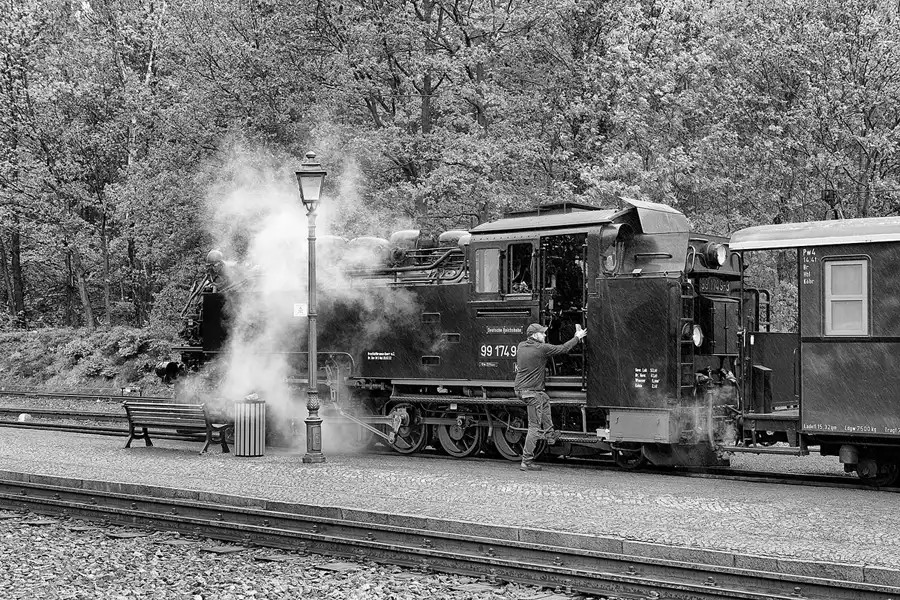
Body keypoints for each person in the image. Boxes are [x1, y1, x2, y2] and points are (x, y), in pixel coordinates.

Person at [514, 322, 588, 472]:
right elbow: (564, 349)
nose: (545, 335)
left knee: (545, 399)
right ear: (535, 336)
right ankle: (526, 461)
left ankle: (550, 434)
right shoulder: (541, 349)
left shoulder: (521, 346)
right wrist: (577, 337)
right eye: (542, 333)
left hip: (525, 390)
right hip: (530, 392)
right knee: (534, 428)